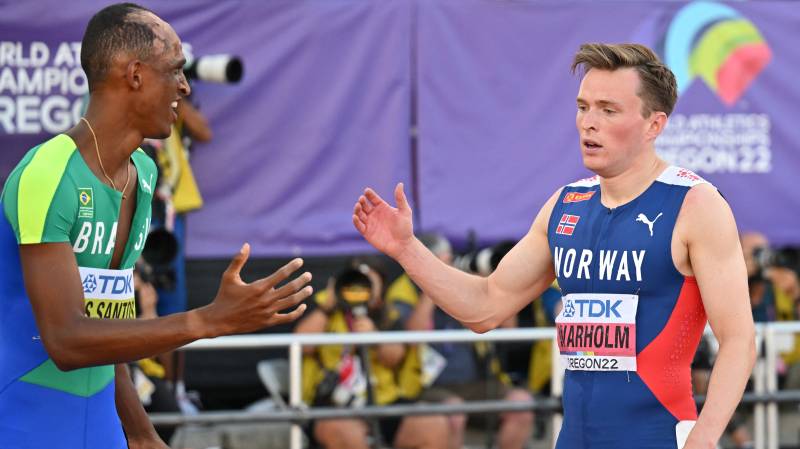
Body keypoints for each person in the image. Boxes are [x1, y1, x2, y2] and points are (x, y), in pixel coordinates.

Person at [353, 43, 755, 449]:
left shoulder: (695, 205)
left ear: (654, 125)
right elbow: (486, 305)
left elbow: (739, 339)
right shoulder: (566, 203)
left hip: (657, 438)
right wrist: (406, 248)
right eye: (583, 107)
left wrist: (703, 440)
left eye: (608, 110)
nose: (588, 123)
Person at [0, 4, 311, 449]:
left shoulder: (143, 174)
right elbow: (67, 341)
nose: (184, 86)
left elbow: (109, 324)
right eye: (175, 70)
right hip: (26, 418)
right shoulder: (47, 173)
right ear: (135, 74)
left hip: (102, 422)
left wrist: (142, 433)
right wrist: (207, 321)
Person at [295, 262, 449, 449]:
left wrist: (375, 337)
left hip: (383, 403)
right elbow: (301, 346)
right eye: (356, 282)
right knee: (347, 434)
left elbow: (395, 357)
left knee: (433, 424)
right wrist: (328, 305)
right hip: (332, 405)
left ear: (381, 289)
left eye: (368, 283)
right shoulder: (324, 304)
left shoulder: (388, 314)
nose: (361, 289)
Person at [405, 233, 534, 449]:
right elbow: (410, 337)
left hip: (476, 382)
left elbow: (509, 328)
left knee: (521, 404)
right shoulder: (405, 289)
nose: (447, 265)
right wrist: (432, 280)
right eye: (440, 261)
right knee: (454, 412)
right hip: (429, 385)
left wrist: (496, 286)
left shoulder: (463, 283)